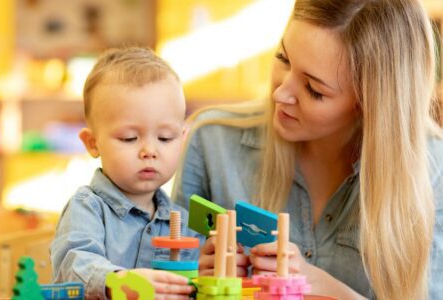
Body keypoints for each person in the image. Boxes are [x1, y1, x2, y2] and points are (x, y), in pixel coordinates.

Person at [172, 0, 443, 299]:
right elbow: (159, 274)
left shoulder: (432, 172)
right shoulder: (212, 143)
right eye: (283, 58)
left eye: (314, 90)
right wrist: (195, 280)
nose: (280, 93)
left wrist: (324, 287)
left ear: (368, 104)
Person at [51, 47, 203, 299]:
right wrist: (118, 282)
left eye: (165, 138)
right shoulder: (87, 208)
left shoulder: (185, 224)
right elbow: (73, 265)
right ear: (92, 143)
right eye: (129, 138)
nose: (149, 151)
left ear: (182, 140)